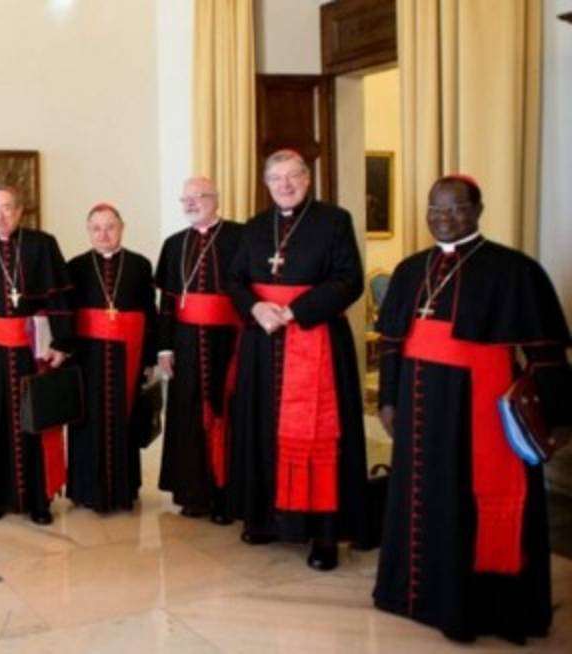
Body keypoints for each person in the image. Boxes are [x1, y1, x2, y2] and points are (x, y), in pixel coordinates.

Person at [372, 176, 570, 644]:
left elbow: (545, 353)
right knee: (422, 500)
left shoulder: (514, 271)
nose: (443, 218)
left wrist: (558, 418)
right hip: (420, 411)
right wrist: (388, 399)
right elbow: (393, 345)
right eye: (434, 209)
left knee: (469, 501)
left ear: (478, 210)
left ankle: (481, 606)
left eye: (455, 209)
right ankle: (412, 594)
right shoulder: (409, 270)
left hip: (478, 411)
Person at [225, 149, 368, 570]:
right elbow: (234, 279)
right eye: (276, 178)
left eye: (293, 177)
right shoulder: (253, 227)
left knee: (317, 436)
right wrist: (254, 308)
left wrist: (293, 312)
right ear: (266, 183)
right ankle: (265, 518)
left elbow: (349, 280)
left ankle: (323, 535)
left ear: (308, 179)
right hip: (262, 343)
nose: (284, 185)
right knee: (260, 427)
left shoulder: (333, 220)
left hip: (315, 338)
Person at [0, 185, 75, 525]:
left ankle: (39, 501)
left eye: (7, 208)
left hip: (32, 349)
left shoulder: (42, 245)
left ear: (20, 211)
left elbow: (59, 298)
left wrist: (61, 344)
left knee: (35, 420)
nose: (0, 216)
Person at [155, 177, 243, 523]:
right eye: (186, 199)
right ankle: (193, 494)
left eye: (199, 197)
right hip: (186, 344)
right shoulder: (174, 244)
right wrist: (163, 347)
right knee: (189, 414)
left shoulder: (239, 236)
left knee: (228, 411)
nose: (192, 203)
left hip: (229, 341)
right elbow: (167, 303)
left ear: (215, 200)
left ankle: (228, 495)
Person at [65, 203, 156, 513]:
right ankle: (85, 490)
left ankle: (123, 489)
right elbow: (66, 315)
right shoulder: (75, 266)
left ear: (122, 228)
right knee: (86, 420)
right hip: (87, 357)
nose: (103, 234)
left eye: (110, 227)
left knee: (124, 418)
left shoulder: (140, 265)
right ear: (89, 231)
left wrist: (149, 359)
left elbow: (149, 313)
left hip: (126, 355)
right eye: (96, 228)